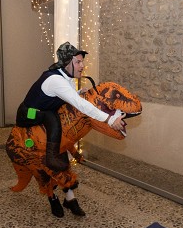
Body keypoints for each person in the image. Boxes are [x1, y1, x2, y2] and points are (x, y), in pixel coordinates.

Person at [16, 41, 125, 217]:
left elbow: (69, 97)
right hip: (28, 114)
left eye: (82, 62)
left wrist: (78, 94)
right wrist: (109, 119)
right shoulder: (55, 80)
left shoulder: (65, 78)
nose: (82, 66)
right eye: (78, 62)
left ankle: (69, 198)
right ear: (67, 62)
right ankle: (52, 160)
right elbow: (80, 105)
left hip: (45, 108)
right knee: (52, 118)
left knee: (59, 119)